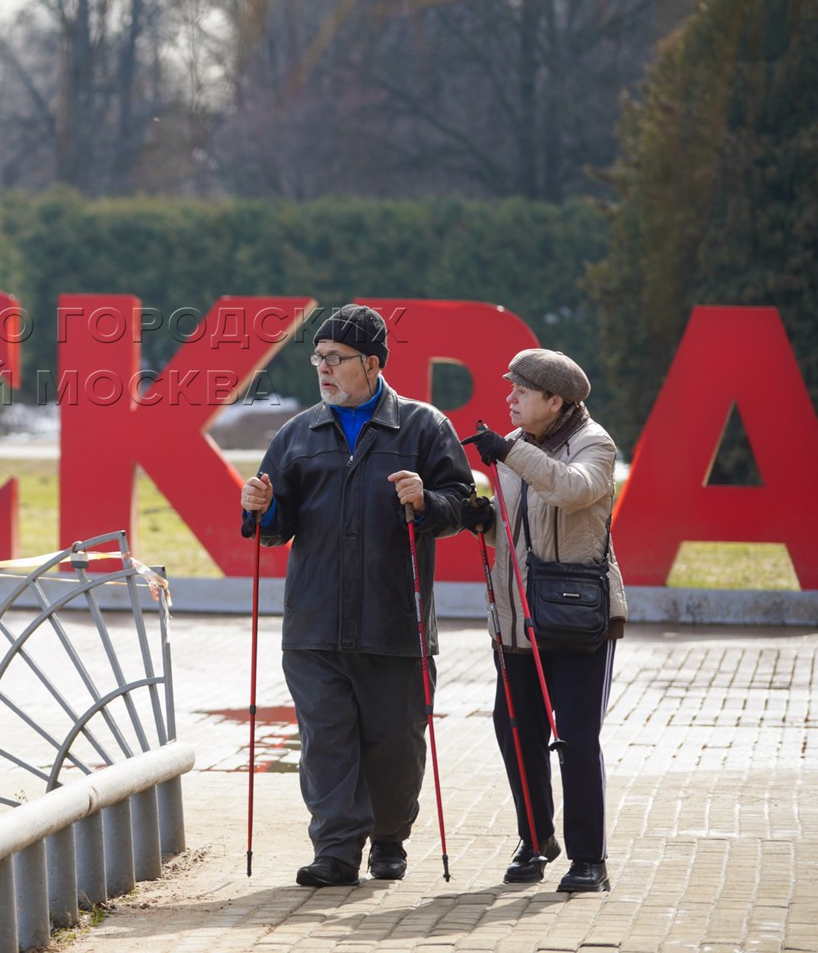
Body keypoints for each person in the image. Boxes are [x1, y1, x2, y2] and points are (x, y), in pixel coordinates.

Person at [239, 303, 475, 887]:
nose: (323, 368)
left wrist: (427, 500)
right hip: (314, 623)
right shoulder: (298, 433)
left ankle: (389, 837)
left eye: (335, 358)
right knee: (326, 743)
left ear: (372, 363)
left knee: (394, 742)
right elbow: (274, 527)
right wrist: (259, 508)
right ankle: (336, 852)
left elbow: (463, 505)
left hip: (395, 624)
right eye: (318, 358)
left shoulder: (423, 427)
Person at [461, 348, 627, 894]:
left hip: (579, 618)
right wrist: (482, 518)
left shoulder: (595, 444)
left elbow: (572, 490)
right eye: (510, 388)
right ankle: (535, 841)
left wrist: (509, 452)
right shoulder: (517, 446)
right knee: (516, 731)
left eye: (522, 391)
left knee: (576, 738)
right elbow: (516, 531)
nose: (509, 398)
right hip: (516, 619)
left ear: (555, 401)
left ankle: (589, 859)